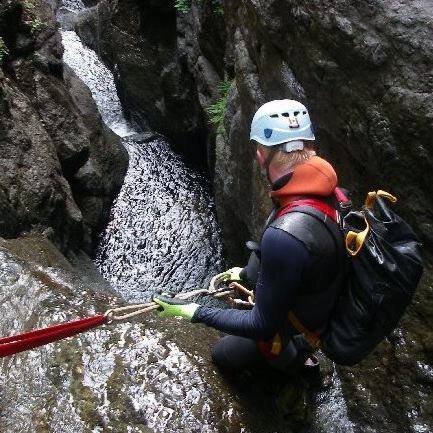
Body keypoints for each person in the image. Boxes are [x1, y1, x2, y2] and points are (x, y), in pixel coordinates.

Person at [154, 99, 345, 375]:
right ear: (309, 147)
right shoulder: (330, 193)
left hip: (303, 322)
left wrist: (192, 311)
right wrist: (245, 273)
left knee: (224, 354)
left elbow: (261, 325)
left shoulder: (285, 235)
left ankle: (296, 362)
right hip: (321, 297)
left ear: (260, 155)